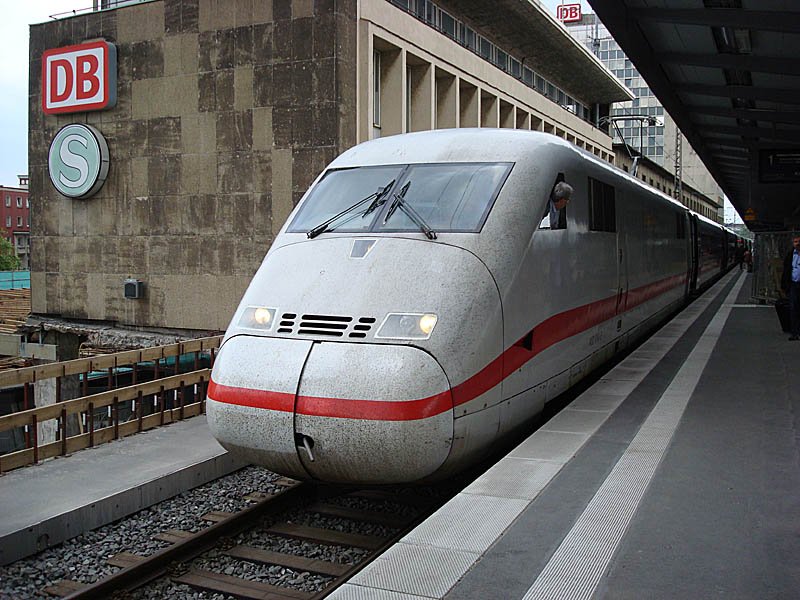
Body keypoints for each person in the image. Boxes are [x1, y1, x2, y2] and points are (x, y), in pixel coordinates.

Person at [781, 235, 800, 341]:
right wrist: (784, 285)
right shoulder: (790, 255)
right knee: (793, 308)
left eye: (799, 241)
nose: (797, 243)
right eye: (795, 241)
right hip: (794, 284)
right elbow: (786, 270)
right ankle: (794, 332)